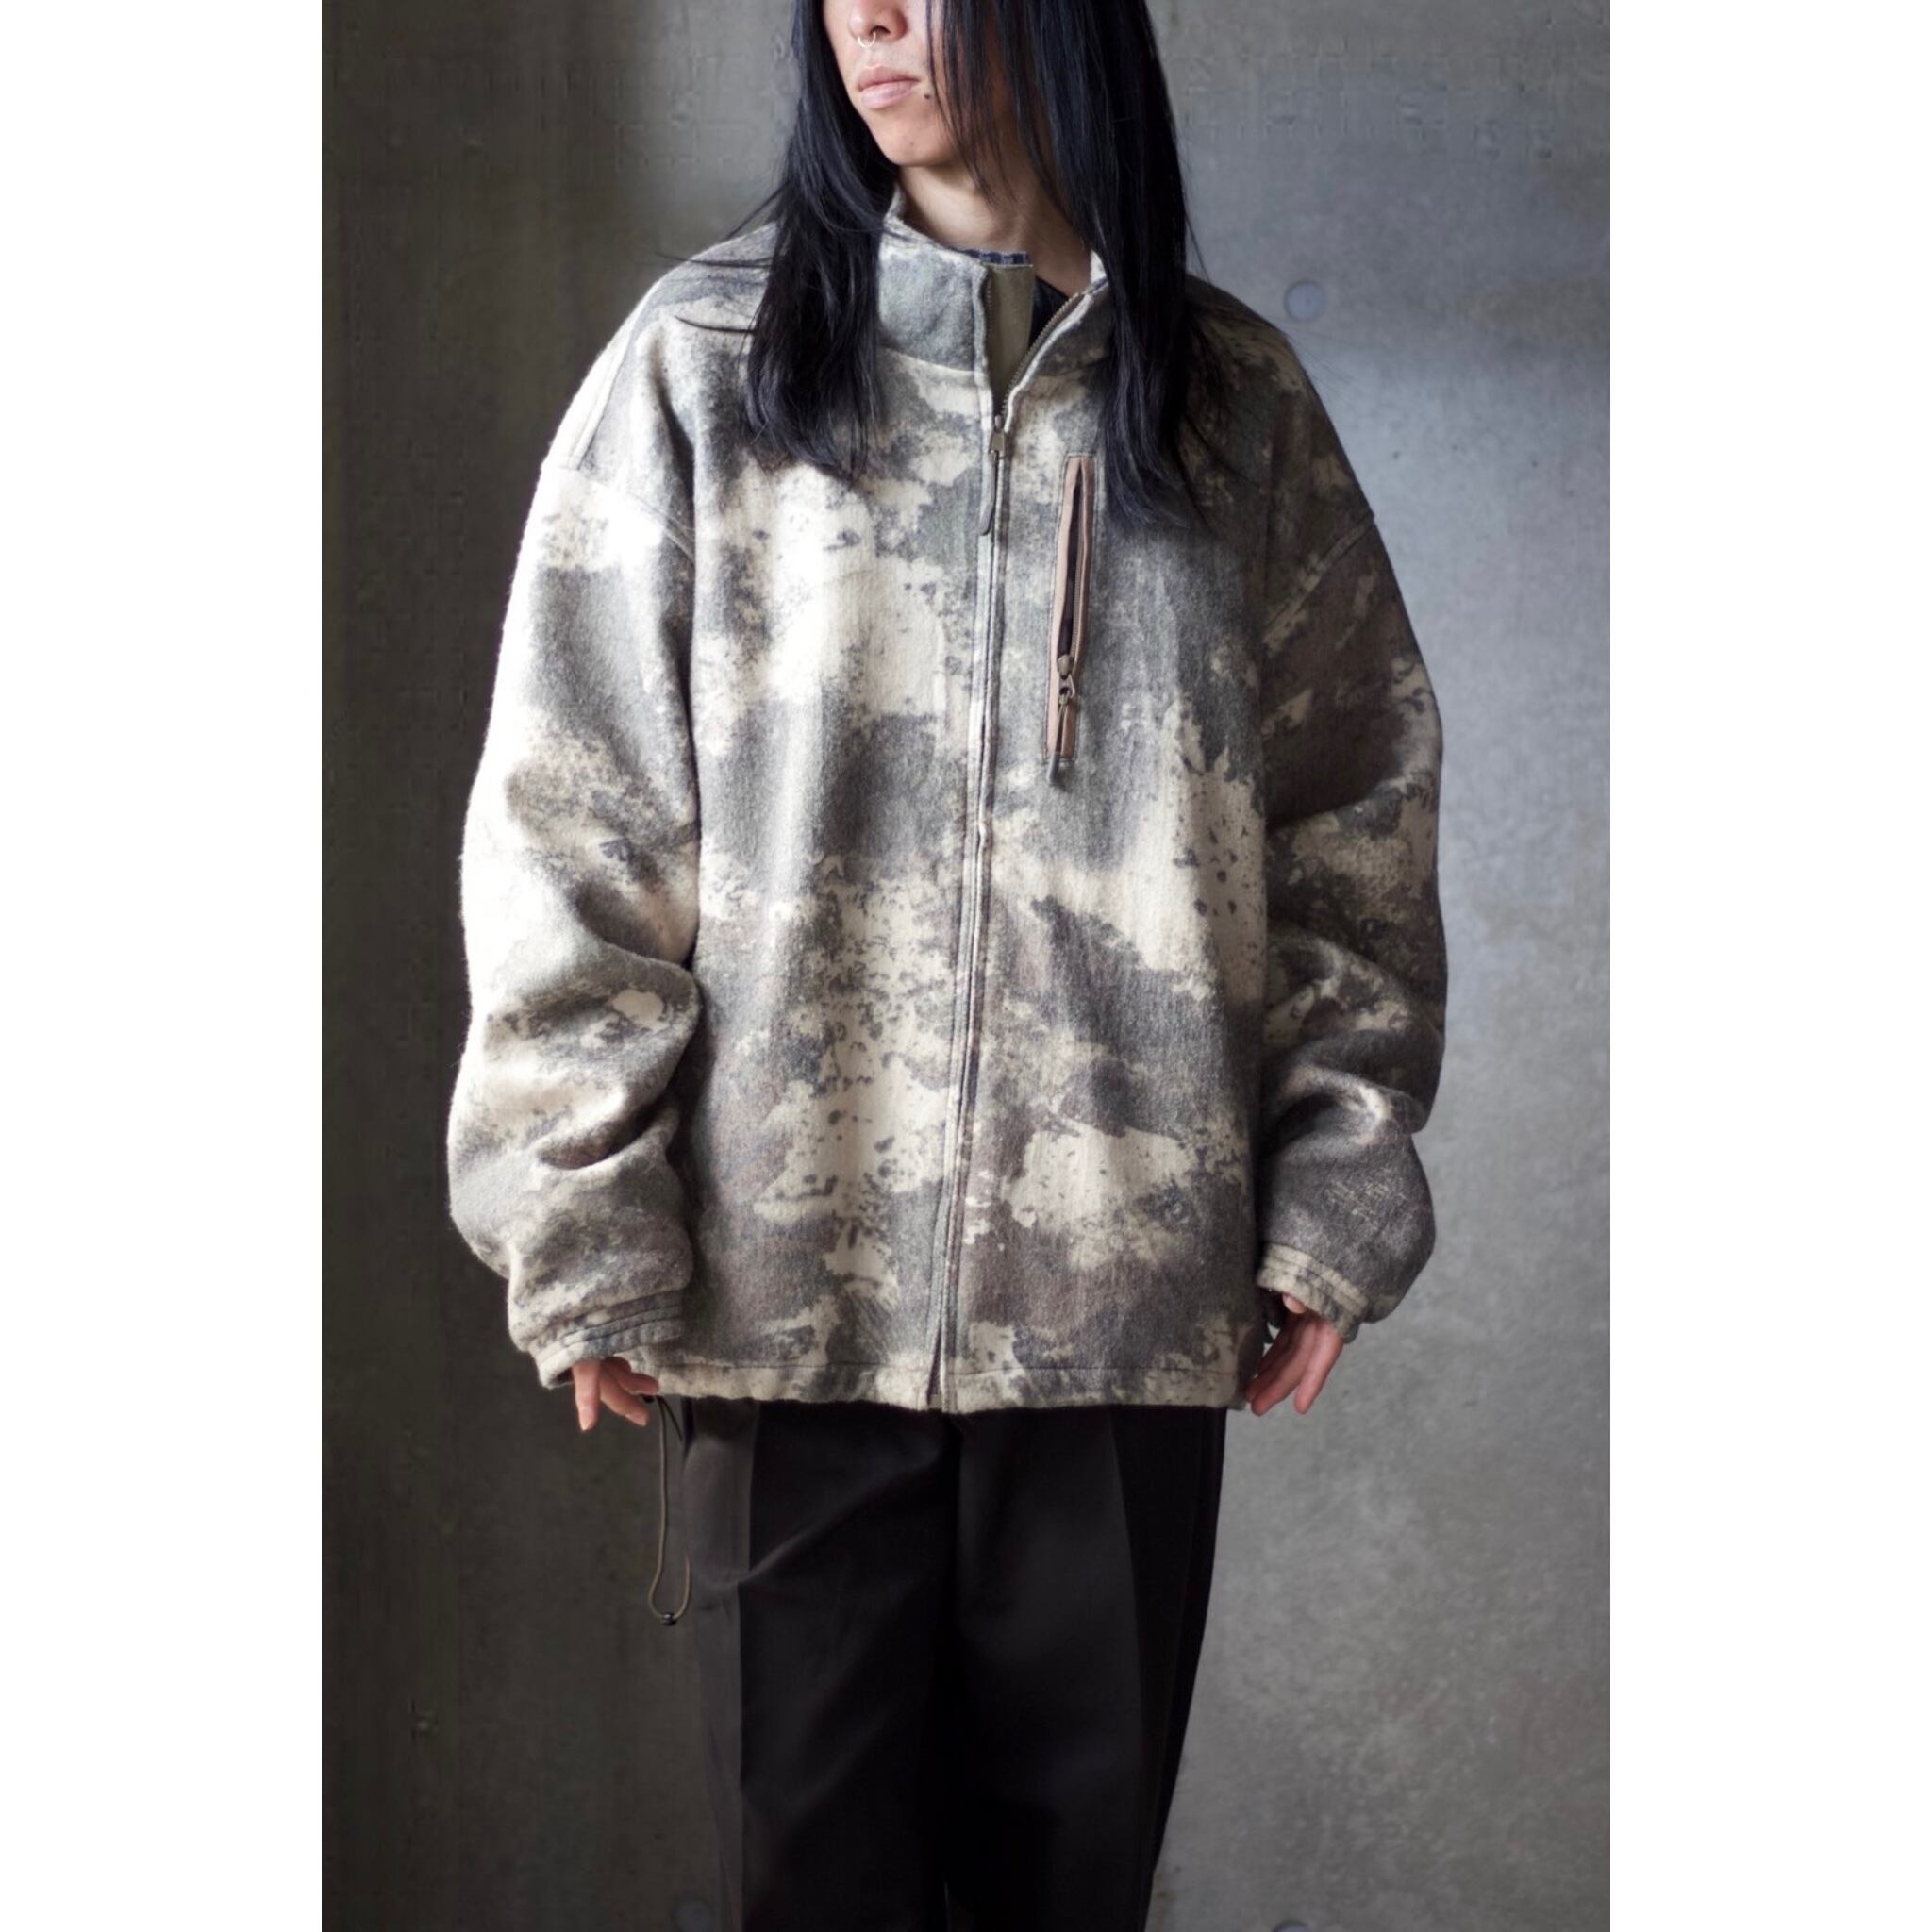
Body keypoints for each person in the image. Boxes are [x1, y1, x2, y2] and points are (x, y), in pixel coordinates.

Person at [444, 2, 1449, 1925]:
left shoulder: (1230, 406)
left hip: (1119, 1317)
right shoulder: (707, 366)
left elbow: (1354, 813)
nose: (872, 14)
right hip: (780, 1306)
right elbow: (573, 815)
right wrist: (580, 1209)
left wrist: (1332, 1184)